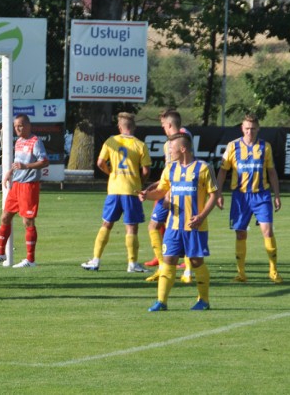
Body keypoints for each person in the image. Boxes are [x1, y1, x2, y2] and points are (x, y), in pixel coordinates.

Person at [139, 132, 218, 311]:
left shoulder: (203, 168)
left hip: (195, 227)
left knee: (197, 262)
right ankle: (161, 301)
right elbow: (161, 191)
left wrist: (202, 216)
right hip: (173, 226)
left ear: (183, 149)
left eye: (172, 149)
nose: (169, 153)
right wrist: (147, 195)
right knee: (168, 261)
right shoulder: (170, 169)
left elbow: (214, 195)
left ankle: (204, 300)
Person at [216, 114, 282, 284]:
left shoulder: (265, 147)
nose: (249, 132)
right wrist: (218, 193)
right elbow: (223, 171)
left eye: (253, 128)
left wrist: (277, 195)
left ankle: (273, 270)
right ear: (242, 129)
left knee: (267, 231)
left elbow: (272, 172)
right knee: (240, 233)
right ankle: (241, 273)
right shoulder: (233, 146)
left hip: (262, 195)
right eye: (247, 128)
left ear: (258, 128)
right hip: (240, 197)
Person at [82, 112, 151, 273]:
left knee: (106, 224)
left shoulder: (111, 141)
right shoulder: (140, 145)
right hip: (132, 190)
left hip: (114, 190)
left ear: (120, 127)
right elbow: (146, 170)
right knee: (131, 227)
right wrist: (141, 181)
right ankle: (132, 264)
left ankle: (96, 260)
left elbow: (100, 163)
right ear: (133, 127)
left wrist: (111, 173)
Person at [0, 114, 49, 268]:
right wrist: (10, 172)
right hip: (16, 185)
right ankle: (1, 253)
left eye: (20, 125)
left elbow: (44, 161)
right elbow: (18, 163)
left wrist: (26, 167)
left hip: (29, 186)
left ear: (28, 125)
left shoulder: (35, 141)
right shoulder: (19, 142)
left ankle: (30, 260)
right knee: (5, 217)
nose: (17, 129)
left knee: (27, 221)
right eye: (15, 126)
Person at [144, 109, 194, 284]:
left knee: (183, 228)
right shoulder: (173, 141)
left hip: (177, 193)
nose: (163, 128)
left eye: (164, 125)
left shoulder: (181, 139)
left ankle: (187, 270)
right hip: (168, 189)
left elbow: (183, 168)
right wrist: (157, 185)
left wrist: (169, 193)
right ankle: (163, 267)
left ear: (170, 124)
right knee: (154, 226)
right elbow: (170, 171)